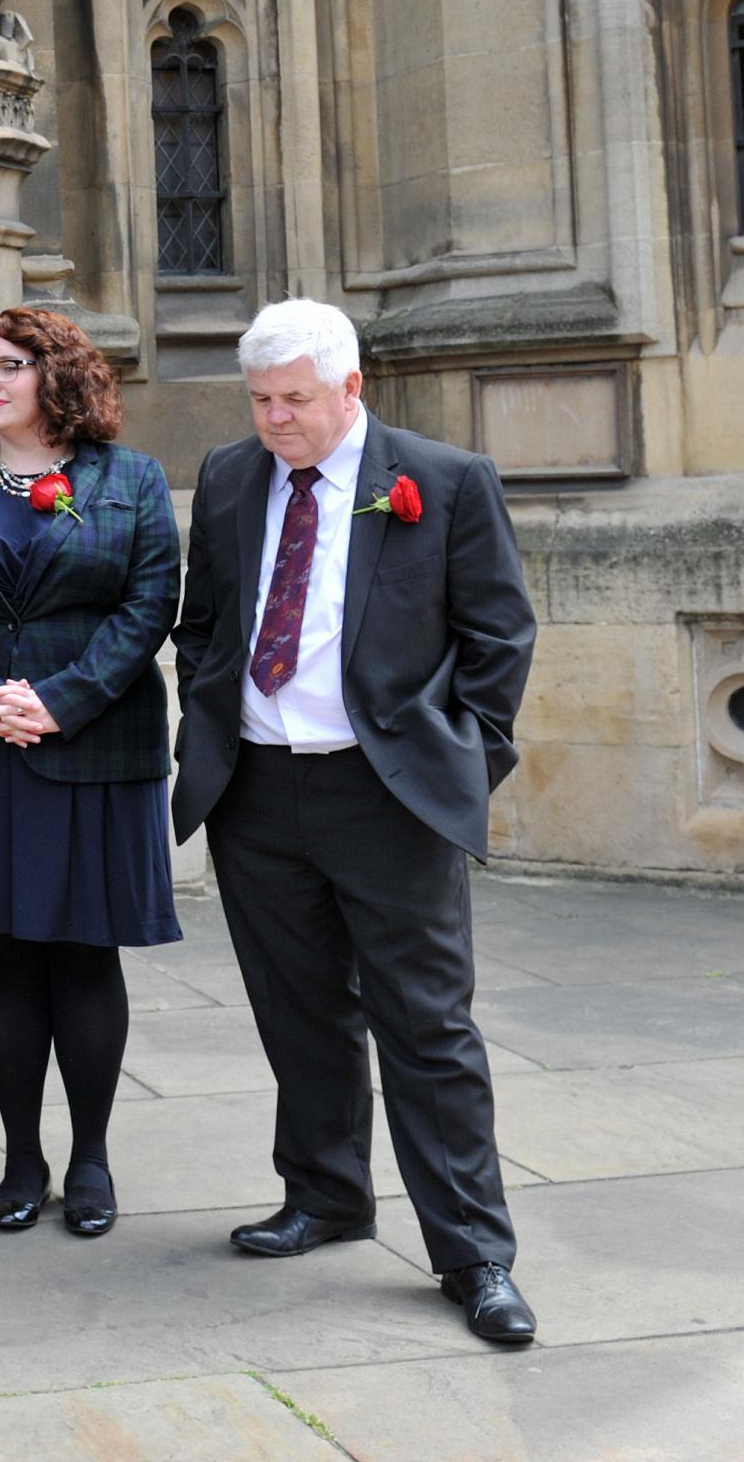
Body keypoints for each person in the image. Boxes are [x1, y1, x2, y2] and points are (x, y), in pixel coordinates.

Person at [173, 298, 539, 1344]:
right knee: (299, 1012)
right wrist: (207, 734)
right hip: (257, 790)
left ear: (350, 388)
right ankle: (325, 1194)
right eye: (258, 400)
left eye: (293, 399)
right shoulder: (235, 476)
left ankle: (472, 1255)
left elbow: (498, 638)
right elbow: (207, 625)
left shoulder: (444, 480)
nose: (273, 419)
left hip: (386, 795)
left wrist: (457, 765)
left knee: (426, 1029)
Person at [0, 308, 181, 1239]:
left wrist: (60, 698)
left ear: (57, 373)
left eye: (7, 366)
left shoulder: (129, 480)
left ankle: (91, 1156)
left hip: (93, 745)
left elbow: (149, 602)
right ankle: (22, 1154)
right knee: (5, 953)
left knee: (85, 951)